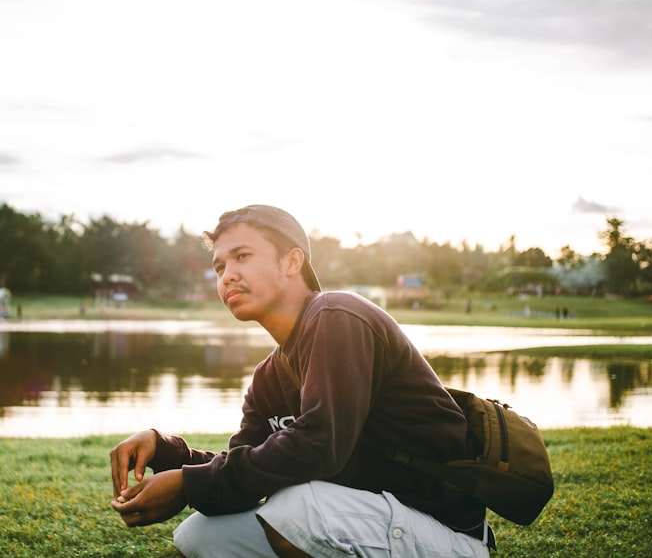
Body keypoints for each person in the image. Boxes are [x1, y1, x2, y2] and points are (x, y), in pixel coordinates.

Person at [110, 205, 492, 557]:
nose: (228, 275)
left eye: (242, 256)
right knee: (200, 534)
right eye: (219, 267)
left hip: (444, 531)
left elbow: (319, 444)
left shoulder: (337, 316)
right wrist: (169, 454)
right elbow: (244, 473)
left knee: (297, 510)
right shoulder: (267, 378)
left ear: (293, 261)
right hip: (362, 521)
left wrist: (188, 485)